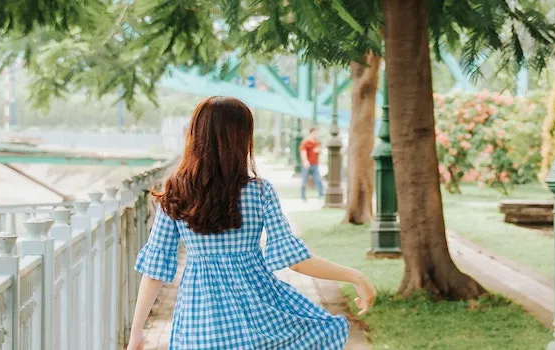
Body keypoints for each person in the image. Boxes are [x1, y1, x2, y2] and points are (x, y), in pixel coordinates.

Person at [127, 96, 376, 350]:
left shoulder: (176, 192)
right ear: (241, 138)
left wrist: (136, 332)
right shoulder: (259, 192)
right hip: (259, 317)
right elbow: (296, 260)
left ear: (196, 136)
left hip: (199, 322)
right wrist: (355, 276)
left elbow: (155, 269)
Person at [299, 128, 324, 201]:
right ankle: (303, 196)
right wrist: (305, 161)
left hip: (315, 164)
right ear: (310, 133)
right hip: (307, 165)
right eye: (314, 133)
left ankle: (321, 194)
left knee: (318, 179)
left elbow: (319, 150)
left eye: (316, 133)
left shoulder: (317, 142)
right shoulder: (305, 142)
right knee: (304, 180)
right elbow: (303, 152)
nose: (315, 135)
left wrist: (318, 150)